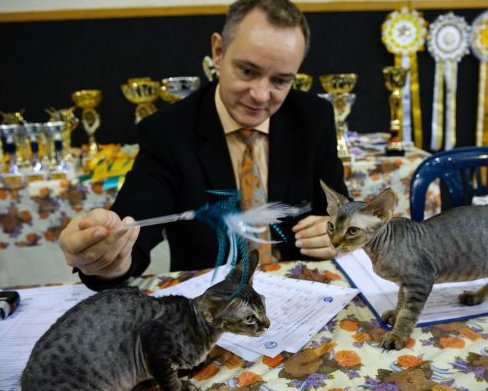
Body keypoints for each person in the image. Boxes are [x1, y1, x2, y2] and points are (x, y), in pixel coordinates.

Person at [58, 0, 349, 291]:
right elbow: (133, 233)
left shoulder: (314, 118)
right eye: (247, 71)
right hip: (210, 302)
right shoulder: (168, 131)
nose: (261, 95)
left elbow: (340, 209)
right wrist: (107, 255)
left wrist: (336, 232)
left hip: (300, 292)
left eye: (281, 81)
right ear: (218, 51)